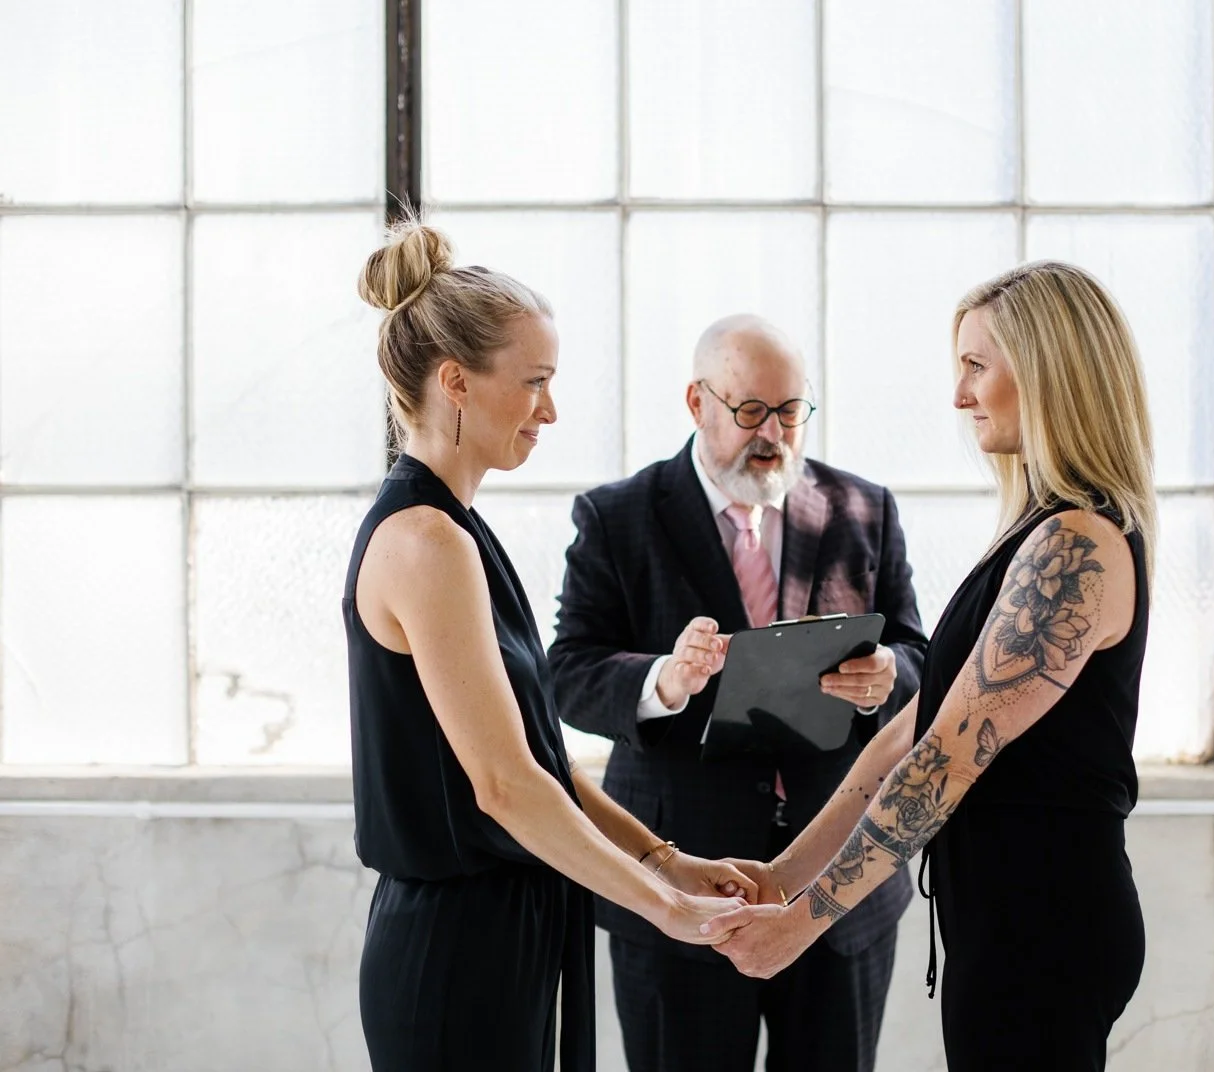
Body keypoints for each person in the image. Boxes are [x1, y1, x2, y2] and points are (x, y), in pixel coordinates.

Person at [705, 262, 1156, 1072]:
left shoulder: (1076, 545)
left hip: (1046, 925)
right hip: (1002, 920)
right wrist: (782, 875)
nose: (959, 395)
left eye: (977, 366)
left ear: (1050, 370)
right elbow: (900, 744)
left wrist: (803, 921)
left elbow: (948, 761)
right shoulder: (1035, 534)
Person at [344, 221, 754, 1072]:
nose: (551, 409)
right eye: (534, 382)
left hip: (509, 930)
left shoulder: (459, 532)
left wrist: (668, 864)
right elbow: (503, 788)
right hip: (456, 951)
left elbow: (543, 765)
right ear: (456, 381)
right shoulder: (426, 541)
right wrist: (663, 909)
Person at [548, 314, 929, 1072]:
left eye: (791, 411)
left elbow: (921, 656)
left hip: (837, 884)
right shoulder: (617, 515)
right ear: (696, 402)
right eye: (751, 410)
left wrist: (887, 675)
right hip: (681, 880)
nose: (775, 434)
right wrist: (664, 679)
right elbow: (567, 672)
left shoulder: (864, 508)